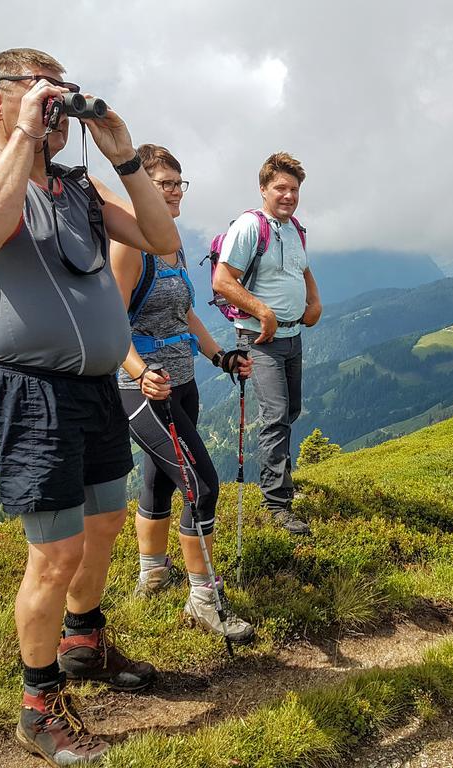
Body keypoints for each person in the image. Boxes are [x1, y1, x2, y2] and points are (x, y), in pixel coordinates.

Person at [0, 48, 180, 765]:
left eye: (61, 96)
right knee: (55, 552)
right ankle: (38, 705)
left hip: (97, 388)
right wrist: (23, 136)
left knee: (105, 521)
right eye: (38, 94)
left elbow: (163, 240)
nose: (55, 109)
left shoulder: (78, 188)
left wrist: (124, 155)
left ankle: (84, 643)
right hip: (32, 390)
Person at [110, 143, 254, 643]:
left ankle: (152, 575)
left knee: (161, 481)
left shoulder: (171, 242)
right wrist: (139, 369)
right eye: (164, 184)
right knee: (201, 484)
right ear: (141, 188)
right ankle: (203, 598)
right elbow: (111, 320)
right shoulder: (131, 244)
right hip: (143, 390)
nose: (175, 192)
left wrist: (220, 357)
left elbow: (185, 313)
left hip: (183, 381)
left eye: (178, 183)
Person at [212, 152, 322, 536]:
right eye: (281, 188)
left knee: (290, 410)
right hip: (260, 339)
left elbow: (303, 268)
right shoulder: (249, 226)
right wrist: (263, 312)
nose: (288, 195)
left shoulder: (295, 230)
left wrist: (315, 301)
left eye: (294, 189)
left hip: (292, 336)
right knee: (275, 416)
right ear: (263, 189)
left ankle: (281, 483)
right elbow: (223, 281)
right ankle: (277, 504)